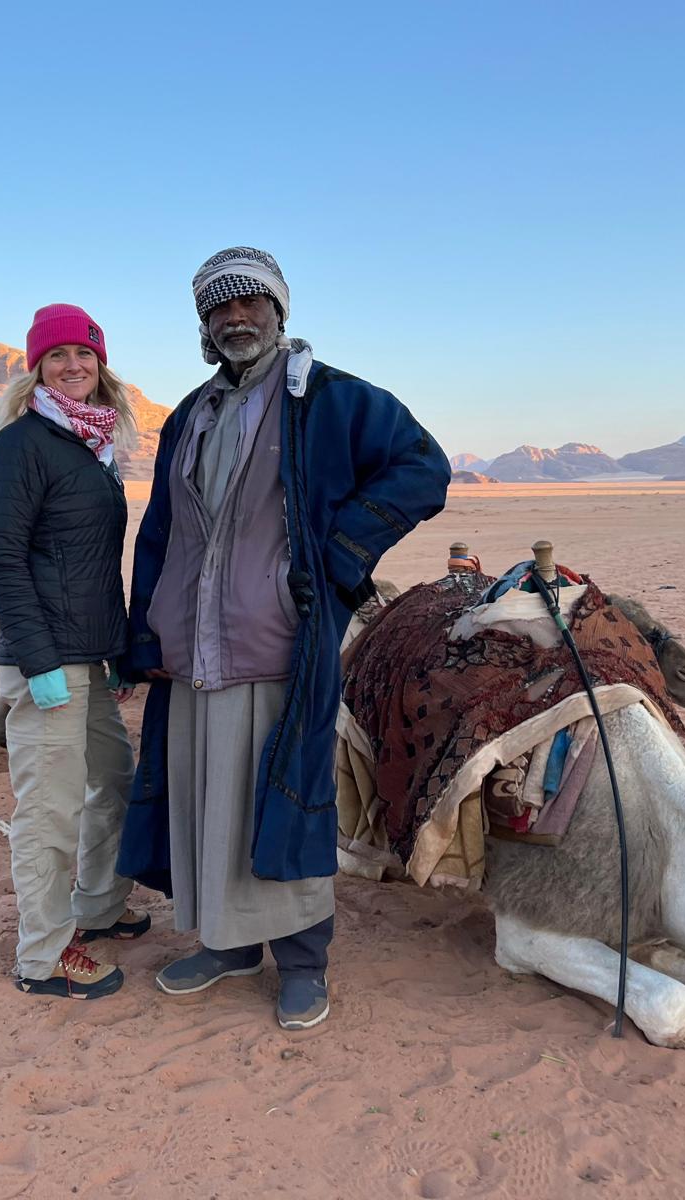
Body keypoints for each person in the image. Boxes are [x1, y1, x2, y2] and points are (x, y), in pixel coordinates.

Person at [118, 249, 451, 1029]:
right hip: (191, 650)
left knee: (283, 801)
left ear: (280, 310)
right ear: (203, 325)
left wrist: (340, 556)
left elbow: (421, 466)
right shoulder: (191, 414)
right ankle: (229, 945)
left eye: (250, 303)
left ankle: (303, 962)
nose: (236, 318)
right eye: (219, 308)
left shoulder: (327, 399)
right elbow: (161, 531)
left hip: (278, 641)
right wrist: (144, 633)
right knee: (208, 802)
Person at [0, 303, 150, 999]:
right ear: (36, 369)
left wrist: (114, 649)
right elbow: (1, 562)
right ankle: (43, 956)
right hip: (47, 661)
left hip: (88, 655)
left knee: (113, 784)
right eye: (58, 357)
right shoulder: (22, 445)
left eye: (85, 354)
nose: (73, 365)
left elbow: (93, 565)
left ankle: (99, 906)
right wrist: (40, 659)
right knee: (48, 813)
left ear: (100, 365)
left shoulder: (92, 448)